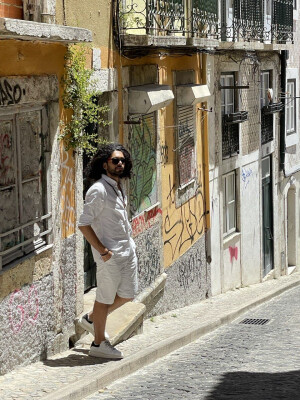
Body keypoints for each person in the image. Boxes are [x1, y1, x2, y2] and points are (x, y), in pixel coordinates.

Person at [78, 143, 138, 359]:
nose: (120, 163)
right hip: (109, 254)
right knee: (104, 297)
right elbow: (83, 224)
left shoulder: (117, 186)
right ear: (105, 164)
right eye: (115, 160)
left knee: (128, 295)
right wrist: (103, 251)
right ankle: (98, 344)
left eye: (122, 160)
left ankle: (92, 319)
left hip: (126, 250)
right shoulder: (98, 190)